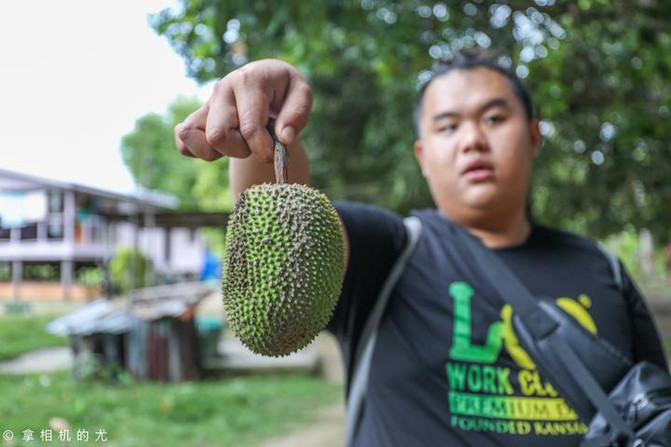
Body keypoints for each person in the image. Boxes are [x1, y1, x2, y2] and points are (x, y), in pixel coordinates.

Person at [174, 51, 668, 446]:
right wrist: (264, 121)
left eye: (494, 118)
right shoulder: (392, 251)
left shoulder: (602, 267)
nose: (472, 140)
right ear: (422, 155)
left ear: (535, 136)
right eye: (448, 126)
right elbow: (283, 241)